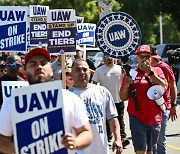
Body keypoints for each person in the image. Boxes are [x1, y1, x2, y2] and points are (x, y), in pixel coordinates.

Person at [0, 48, 92, 153]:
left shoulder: (70, 99)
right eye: (33, 64)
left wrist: (76, 142)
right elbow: (2, 139)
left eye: (43, 63)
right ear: (24, 71)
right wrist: (19, 149)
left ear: (51, 69)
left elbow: (86, 132)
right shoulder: (12, 103)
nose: (39, 67)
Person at [120, 45, 168, 154]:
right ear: (137, 58)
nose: (144, 59)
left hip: (154, 117)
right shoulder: (131, 73)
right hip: (137, 117)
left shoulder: (157, 70)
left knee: (150, 151)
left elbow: (164, 87)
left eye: (147, 56)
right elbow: (123, 97)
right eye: (141, 57)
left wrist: (150, 72)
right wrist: (127, 85)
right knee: (141, 150)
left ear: (151, 58)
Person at [69, 59, 123, 154]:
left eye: (85, 69)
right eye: (77, 70)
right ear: (71, 74)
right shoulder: (66, 96)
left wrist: (118, 139)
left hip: (100, 149)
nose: (82, 72)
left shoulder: (102, 92)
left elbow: (112, 118)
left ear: (90, 72)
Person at [92, 54, 130, 148]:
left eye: (111, 57)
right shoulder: (99, 70)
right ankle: (107, 138)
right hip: (104, 101)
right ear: (104, 58)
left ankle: (122, 138)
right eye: (106, 56)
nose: (109, 59)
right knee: (106, 120)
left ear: (115, 58)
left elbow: (127, 80)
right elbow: (94, 84)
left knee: (120, 119)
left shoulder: (120, 69)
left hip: (118, 99)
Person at [150, 46, 178, 154]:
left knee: (160, 141)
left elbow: (173, 85)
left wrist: (173, 105)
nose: (155, 61)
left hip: (162, 107)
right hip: (148, 109)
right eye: (153, 58)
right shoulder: (142, 69)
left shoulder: (163, 67)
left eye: (156, 58)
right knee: (151, 143)